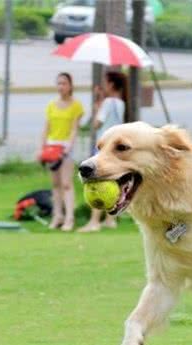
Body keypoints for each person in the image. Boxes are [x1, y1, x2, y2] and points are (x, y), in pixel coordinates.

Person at [78, 71, 129, 233]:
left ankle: (94, 221)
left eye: (105, 83)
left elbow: (96, 124)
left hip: (103, 149)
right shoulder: (121, 103)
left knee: (96, 182)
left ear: (111, 85)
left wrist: (97, 106)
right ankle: (109, 220)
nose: (103, 86)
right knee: (113, 183)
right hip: (115, 151)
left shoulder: (107, 102)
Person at [40, 72, 84, 231]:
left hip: (65, 148)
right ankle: (57, 215)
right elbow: (46, 128)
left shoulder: (76, 106)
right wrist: (42, 148)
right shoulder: (51, 105)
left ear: (70, 86)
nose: (61, 87)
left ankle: (69, 217)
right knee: (55, 184)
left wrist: (68, 147)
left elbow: (74, 129)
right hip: (52, 146)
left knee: (66, 184)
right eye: (58, 83)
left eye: (64, 83)